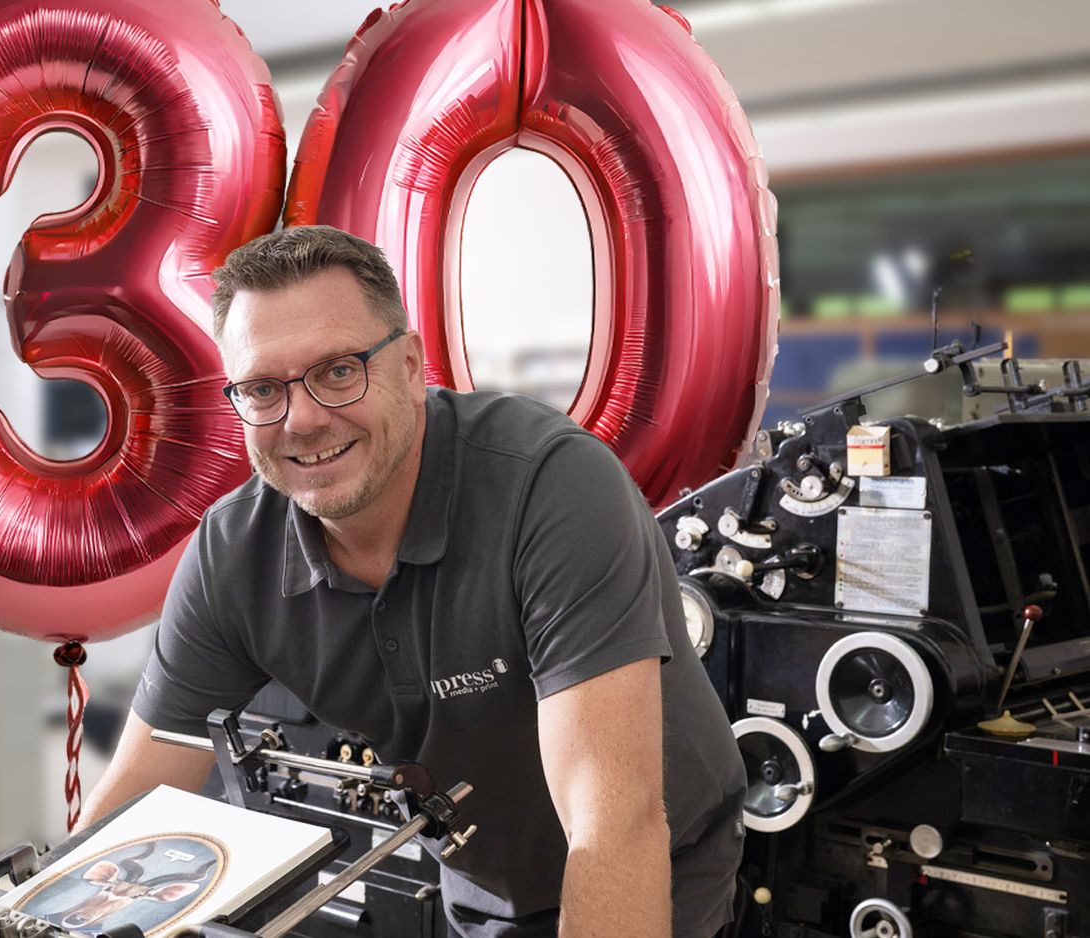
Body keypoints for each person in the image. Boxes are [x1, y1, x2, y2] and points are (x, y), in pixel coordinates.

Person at [79, 225, 747, 937]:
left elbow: (613, 823)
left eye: (339, 371)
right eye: (263, 388)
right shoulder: (232, 555)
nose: (302, 420)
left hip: (658, 863)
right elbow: (138, 804)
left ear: (408, 366)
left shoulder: (550, 488)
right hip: (482, 882)